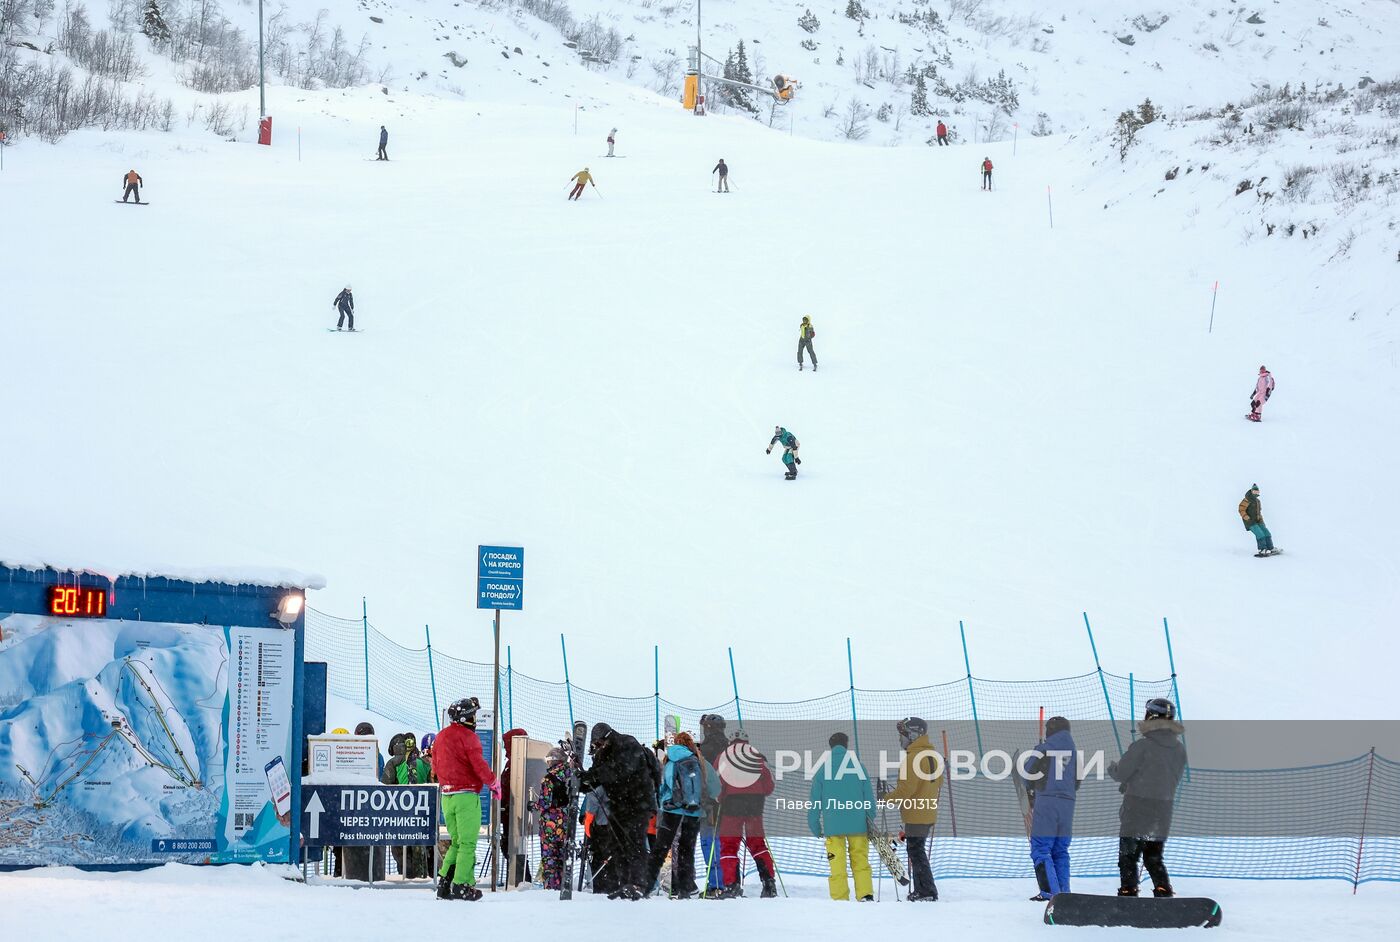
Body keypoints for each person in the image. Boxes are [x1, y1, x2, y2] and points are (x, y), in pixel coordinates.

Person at [1109, 699, 1187, 898]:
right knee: (1153, 856)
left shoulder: (1142, 745)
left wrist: (1114, 770)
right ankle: (1163, 890)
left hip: (1137, 805)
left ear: (1151, 717)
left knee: (1128, 854)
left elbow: (1122, 773)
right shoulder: (1179, 749)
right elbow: (1169, 778)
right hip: (1164, 808)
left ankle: (1128, 891)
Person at [579, 721, 660, 899]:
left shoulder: (628, 744)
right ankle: (624, 883)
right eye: (596, 746)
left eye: (599, 744)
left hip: (638, 804)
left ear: (608, 737)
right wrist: (583, 780)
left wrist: (593, 776)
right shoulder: (603, 753)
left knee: (634, 843)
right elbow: (598, 776)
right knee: (618, 845)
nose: (598, 748)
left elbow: (620, 770)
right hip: (618, 805)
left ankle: (638, 884)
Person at [433, 697, 501, 901]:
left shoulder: (441, 737)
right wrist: (493, 783)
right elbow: (478, 765)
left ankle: (444, 883)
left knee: (456, 842)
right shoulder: (468, 737)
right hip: (466, 797)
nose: (475, 719)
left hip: (447, 796)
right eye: (473, 715)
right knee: (468, 843)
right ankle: (462, 885)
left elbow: (434, 768)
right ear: (465, 718)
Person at [644, 731, 719, 897]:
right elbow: (715, 789)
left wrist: (664, 802)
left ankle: (646, 886)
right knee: (687, 851)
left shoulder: (669, 760)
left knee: (661, 850)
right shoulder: (700, 761)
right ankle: (685, 889)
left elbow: (662, 786)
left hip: (671, 810)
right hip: (693, 811)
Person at [878, 717, 941, 901]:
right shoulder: (932, 756)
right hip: (927, 811)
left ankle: (927, 891)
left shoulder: (912, 758)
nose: (900, 739)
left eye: (903, 735)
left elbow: (906, 789)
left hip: (916, 813)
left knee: (915, 851)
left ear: (913, 735)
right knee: (916, 850)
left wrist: (886, 798)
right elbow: (939, 782)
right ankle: (924, 890)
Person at [808, 732, 875, 901]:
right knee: (860, 860)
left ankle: (840, 899)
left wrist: (815, 826)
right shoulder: (859, 766)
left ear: (831, 747)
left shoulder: (822, 770)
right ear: (846, 745)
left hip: (833, 825)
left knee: (837, 863)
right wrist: (869, 818)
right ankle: (865, 895)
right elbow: (869, 796)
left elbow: (815, 802)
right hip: (858, 824)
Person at [716, 728, 778, 898]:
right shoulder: (759, 757)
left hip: (732, 805)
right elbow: (769, 785)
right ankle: (769, 883)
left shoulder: (723, 757)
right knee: (757, 844)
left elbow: (717, 784)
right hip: (755, 805)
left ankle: (732, 885)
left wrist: (720, 798)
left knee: (729, 845)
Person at [1024, 716, 1077, 901]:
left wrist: (1032, 791)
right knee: (1060, 850)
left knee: (1041, 848)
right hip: (1068, 803)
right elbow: (1077, 780)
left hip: (1047, 801)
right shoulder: (1074, 752)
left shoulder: (1044, 749)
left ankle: (1049, 893)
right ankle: (1063, 893)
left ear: (1050, 730)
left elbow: (1027, 772)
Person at [337, 722, 385, 880]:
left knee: (352, 848)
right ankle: (374, 876)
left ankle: (345, 874)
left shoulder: (354, 754)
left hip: (354, 811)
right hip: (373, 810)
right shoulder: (378, 755)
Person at [382, 732, 433, 879]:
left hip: (399, 817)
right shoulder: (423, 763)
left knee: (400, 852)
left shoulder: (393, 763)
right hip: (421, 816)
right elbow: (430, 786)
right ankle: (421, 878)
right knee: (419, 850)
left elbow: (385, 788)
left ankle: (405, 877)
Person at [696, 714, 728, 896]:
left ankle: (716, 885)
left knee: (710, 843)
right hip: (732, 803)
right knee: (725, 844)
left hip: (710, 804)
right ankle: (730, 882)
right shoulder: (730, 747)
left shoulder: (706, 749)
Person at [535, 746, 572, 890]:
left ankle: (551, 886)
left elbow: (545, 802)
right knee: (563, 855)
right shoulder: (570, 774)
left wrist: (534, 805)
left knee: (550, 857)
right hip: (565, 821)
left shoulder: (548, 778)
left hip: (550, 823)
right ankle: (564, 884)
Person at [583, 786, 618, 895]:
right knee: (614, 858)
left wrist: (588, 824)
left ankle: (601, 888)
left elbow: (592, 804)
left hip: (603, 826)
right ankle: (613, 886)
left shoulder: (600, 787)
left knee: (600, 858)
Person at [1238, 484, 1277, 557]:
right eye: (1254, 491)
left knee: (1266, 533)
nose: (1256, 493)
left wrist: (1262, 521)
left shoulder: (1257, 501)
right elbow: (1241, 509)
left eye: (1257, 492)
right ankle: (1262, 549)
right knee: (1260, 534)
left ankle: (1270, 548)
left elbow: (1259, 512)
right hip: (1250, 522)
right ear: (1252, 491)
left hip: (1258, 521)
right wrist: (1246, 517)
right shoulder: (1247, 500)